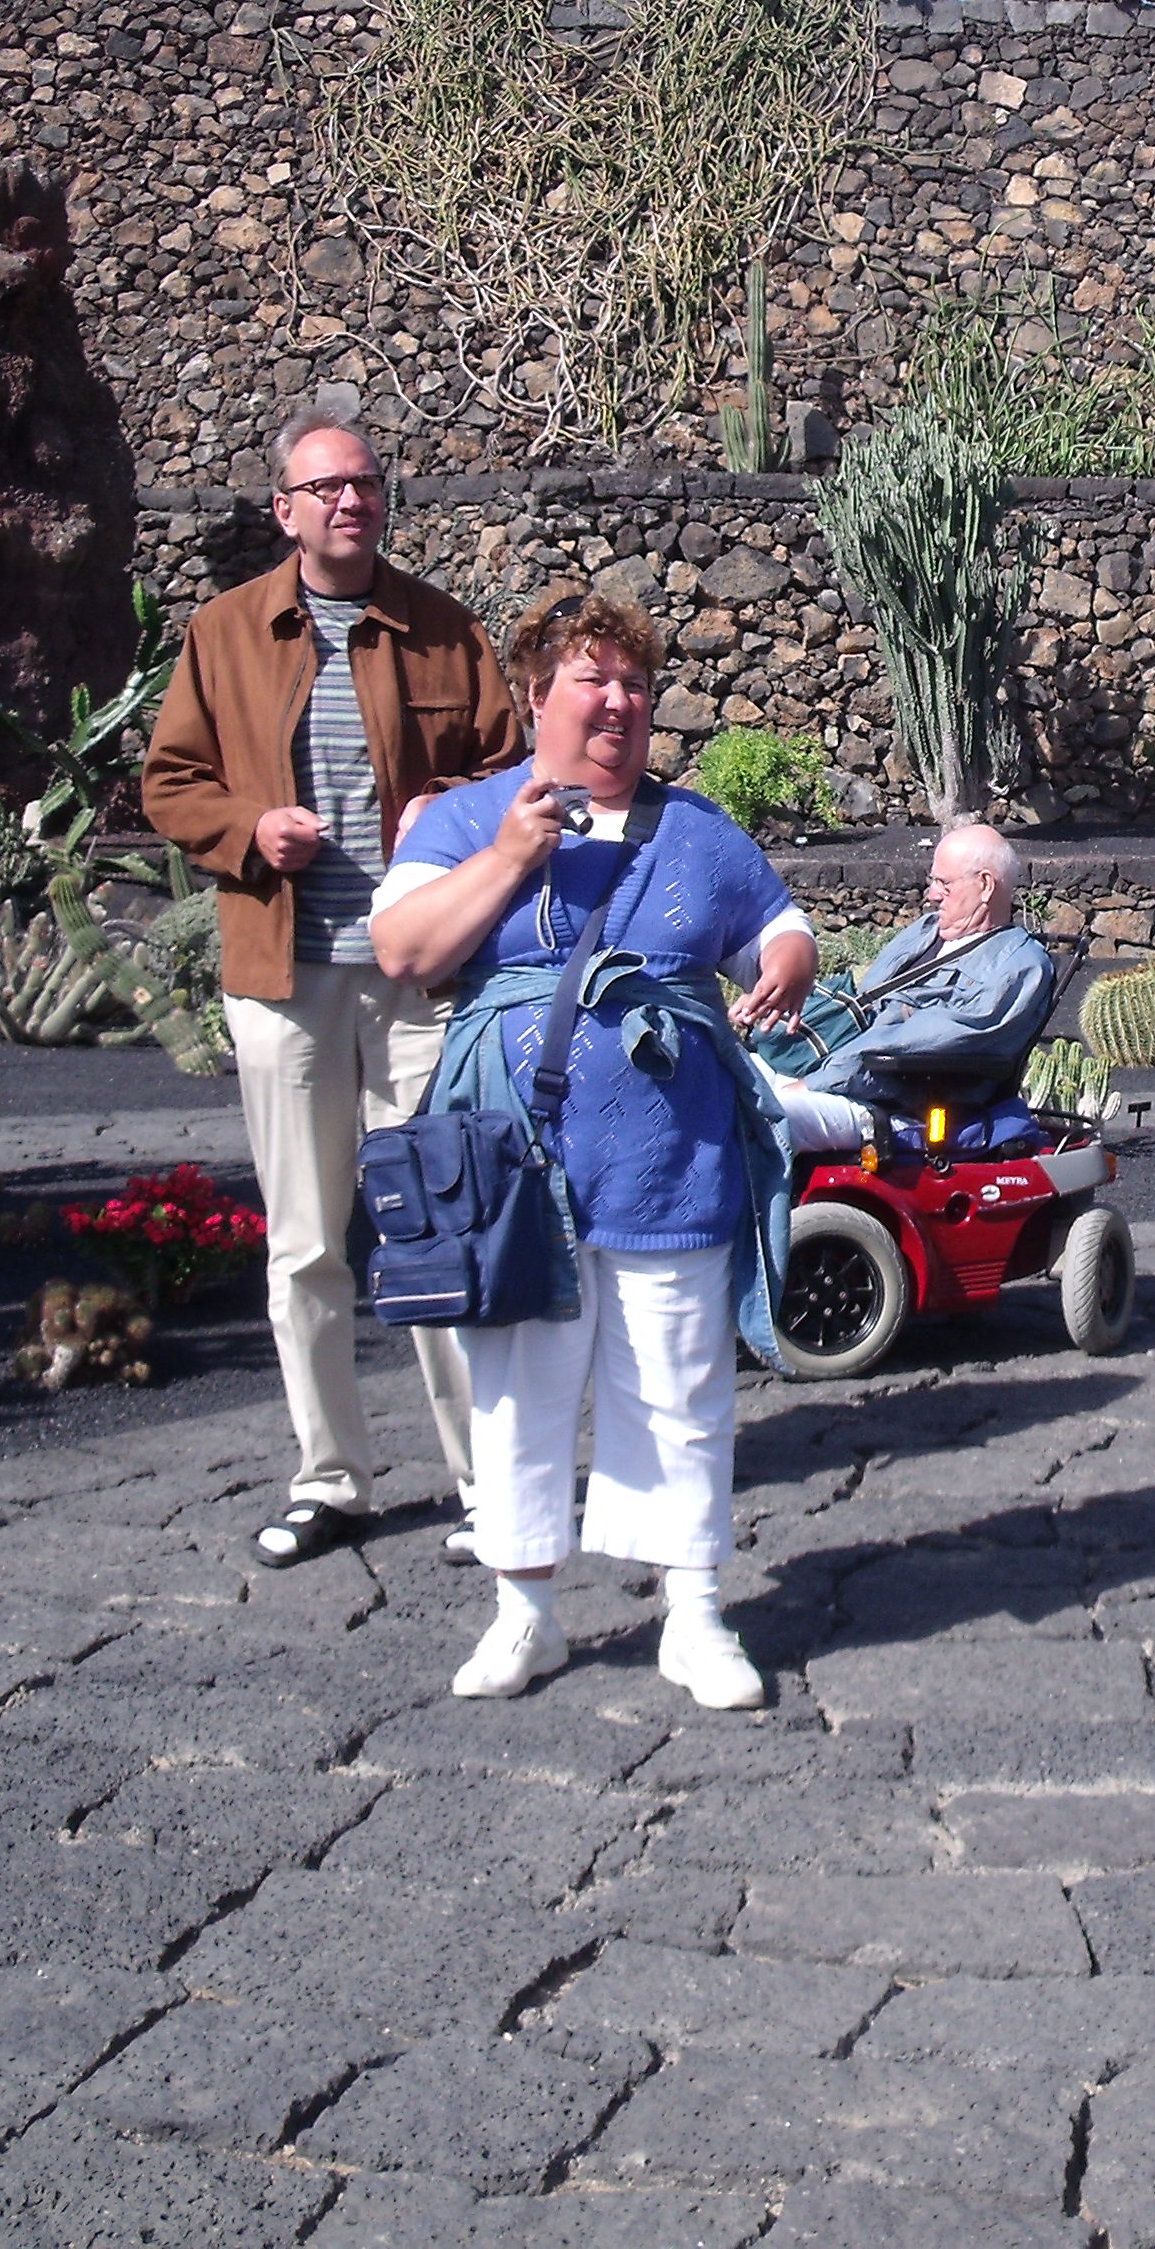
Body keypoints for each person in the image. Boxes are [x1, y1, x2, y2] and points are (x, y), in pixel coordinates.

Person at [368, 590, 819, 1710]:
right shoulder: (467, 820)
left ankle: (695, 1617)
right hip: (520, 1167)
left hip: (673, 1158)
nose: (619, 701)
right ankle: (524, 1616)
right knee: (519, 1392)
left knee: (682, 1385)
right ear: (536, 694)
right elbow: (404, 949)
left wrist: (789, 961)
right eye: (593, 678)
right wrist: (512, 855)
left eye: (635, 683)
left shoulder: (698, 830)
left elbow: (779, 922)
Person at [142, 398, 524, 1573]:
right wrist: (251, 831)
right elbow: (170, 782)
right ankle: (331, 1481)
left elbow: (511, 773)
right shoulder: (223, 635)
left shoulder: (445, 631)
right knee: (306, 1247)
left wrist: (444, 814)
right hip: (283, 977)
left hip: (421, 983)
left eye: (365, 483)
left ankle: (490, 1487)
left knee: (439, 1231)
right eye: (328, 487)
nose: (351, 501)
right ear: (286, 510)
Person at [759, 819, 1056, 1149]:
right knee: (721, 1079)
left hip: (896, 1103)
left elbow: (928, 1040)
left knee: (762, 1116)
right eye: (933, 881)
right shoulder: (925, 930)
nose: (932, 895)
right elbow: (865, 997)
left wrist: (816, 1081)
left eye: (944, 884)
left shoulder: (1019, 966)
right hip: (828, 1069)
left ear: (985, 885)